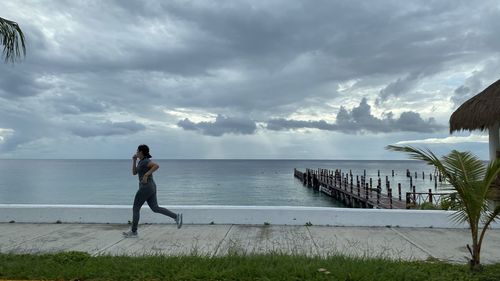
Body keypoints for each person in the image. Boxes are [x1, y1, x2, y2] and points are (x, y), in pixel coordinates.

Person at [123, 144, 182, 238]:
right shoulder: (141, 162)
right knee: (155, 208)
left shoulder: (146, 161)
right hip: (151, 187)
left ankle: (134, 232)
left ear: (141, 152)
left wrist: (146, 175)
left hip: (146, 187)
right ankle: (176, 216)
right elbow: (134, 173)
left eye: (137, 151)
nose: (136, 152)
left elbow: (156, 166)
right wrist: (134, 160)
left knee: (136, 208)